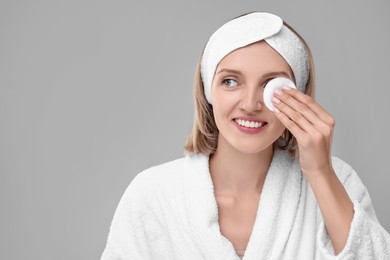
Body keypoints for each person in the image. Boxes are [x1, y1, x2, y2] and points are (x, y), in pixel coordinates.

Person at [101, 12, 390, 259]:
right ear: (208, 91)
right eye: (230, 81)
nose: (251, 104)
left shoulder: (338, 180)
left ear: (298, 97)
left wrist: (320, 172)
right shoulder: (154, 195)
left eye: (271, 85)